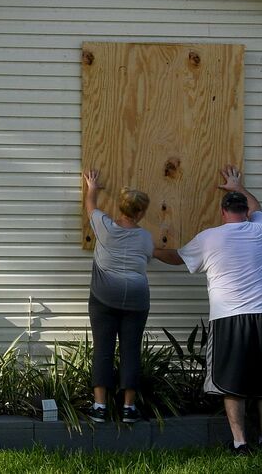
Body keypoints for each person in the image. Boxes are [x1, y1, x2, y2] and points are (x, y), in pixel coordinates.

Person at [154, 165, 262, 455]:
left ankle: (240, 443)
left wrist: (149, 249)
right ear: (245, 212)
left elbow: (177, 257)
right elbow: (257, 206)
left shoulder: (209, 238)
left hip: (229, 318)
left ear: (223, 213)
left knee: (231, 382)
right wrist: (237, 185)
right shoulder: (261, 228)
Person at [83, 169, 154, 424]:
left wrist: (93, 186)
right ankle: (128, 409)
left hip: (103, 298)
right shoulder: (146, 237)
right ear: (140, 213)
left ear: (121, 207)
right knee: (131, 351)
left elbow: (90, 205)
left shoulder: (104, 226)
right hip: (136, 300)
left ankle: (100, 407)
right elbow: (146, 257)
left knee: (103, 350)